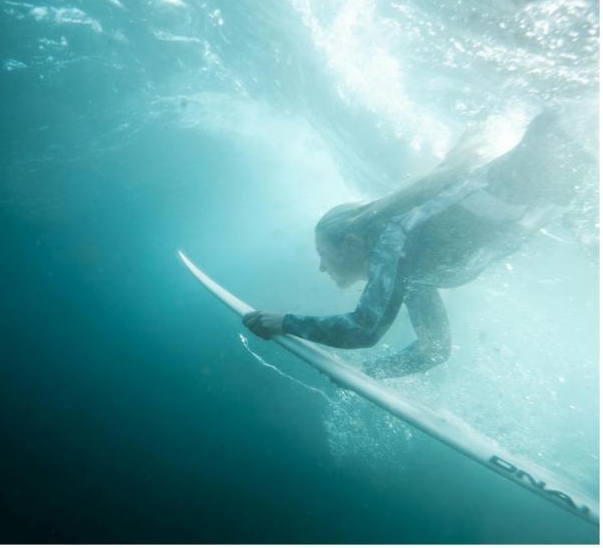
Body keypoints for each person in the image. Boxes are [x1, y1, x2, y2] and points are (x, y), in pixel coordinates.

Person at [242, 111, 592, 379]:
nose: (321, 266)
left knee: (574, 127)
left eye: (323, 253)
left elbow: (363, 330)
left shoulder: (391, 241)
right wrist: (375, 374)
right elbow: (436, 349)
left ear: (350, 242)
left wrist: (285, 322)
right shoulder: (415, 276)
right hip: (543, 196)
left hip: (519, 181)